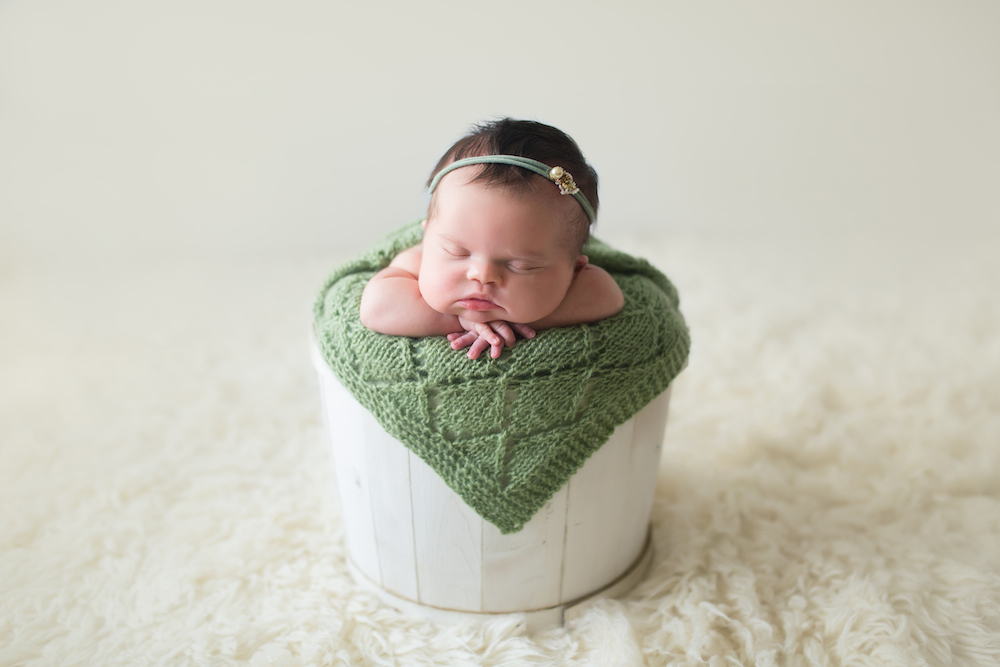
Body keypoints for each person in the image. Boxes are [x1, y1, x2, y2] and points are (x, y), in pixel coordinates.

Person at [360, 119, 624, 360]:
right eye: (457, 252)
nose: (482, 275)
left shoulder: (580, 278)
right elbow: (377, 306)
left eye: (520, 265)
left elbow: (607, 294)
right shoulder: (417, 260)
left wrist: (523, 319)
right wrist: (460, 320)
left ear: (574, 274)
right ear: (426, 237)